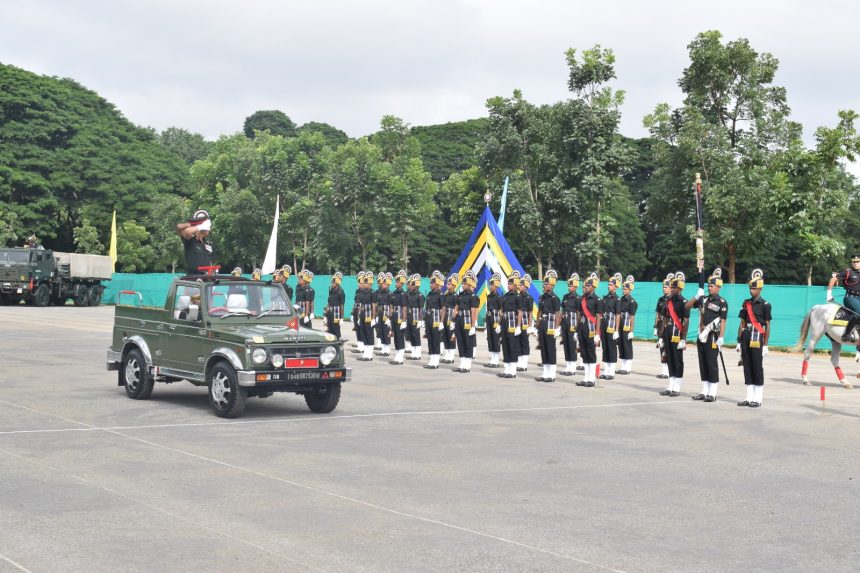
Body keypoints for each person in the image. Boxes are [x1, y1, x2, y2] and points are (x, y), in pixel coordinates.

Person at [686, 268, 728, 402]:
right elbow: (687, 306)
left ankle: (713, 393)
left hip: (713, 336)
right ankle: (704, 391)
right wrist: (697, 296)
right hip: (701, 335)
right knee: (703, 363)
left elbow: (723, 321)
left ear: (718, 287)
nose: (709, 288)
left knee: (711, 363)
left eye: (712, 286)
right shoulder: (703, 299)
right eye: (709, 286)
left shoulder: (722, 302)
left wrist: (721, 337)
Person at [736, 269, 772, 408]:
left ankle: (757, 398)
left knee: (757, 366)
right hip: (746, 335)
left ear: (760, 289)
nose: (752, 291)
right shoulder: (746, 303)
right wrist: (739, 340)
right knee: (747, 366)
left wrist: (765, 345)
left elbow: (767, 325)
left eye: (754, 288)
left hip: (758, 336)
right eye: (750, 288)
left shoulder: (765, 305)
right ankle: (749, 397)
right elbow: (742, 323)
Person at [659, 271, 689, 398]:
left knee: (677, 360)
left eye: (674, 287)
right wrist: (661, 336)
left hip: (677, 332)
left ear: (680, 288)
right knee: (669, 358)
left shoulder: (684, 302)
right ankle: (670, 386)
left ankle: (677, 387)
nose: (671, 289)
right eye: (671, 287)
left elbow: (686, 321)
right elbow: (665, 318)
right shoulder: (668, 301)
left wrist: (684, 338)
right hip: (668, 331)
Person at [535, 270, 562, 382]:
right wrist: (537, 326)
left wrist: (557, 328)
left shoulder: (555, 298)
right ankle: (545, 373)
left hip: (551, 324)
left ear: (552, 285)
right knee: (543, 348)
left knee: (550, 348)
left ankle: (552, 374)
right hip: (543, 323)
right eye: (544, 284)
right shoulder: (542, 297)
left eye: (546, 284)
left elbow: (557, 313)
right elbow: (540, 312)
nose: (544, 285)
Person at [575, 273, 601, 387]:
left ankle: (592, 379)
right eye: (585, 285)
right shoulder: (582, 299)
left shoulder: (597, 299)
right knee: (583, 353)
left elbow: (598, 317)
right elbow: (579, 314)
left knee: (591, 353)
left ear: (593, 287)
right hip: (582, 327)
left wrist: (597, 333)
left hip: (591, 329)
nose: (585, 287)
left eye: (588, 285)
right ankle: (585, 378)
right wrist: (577, 330)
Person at [827, 254, 860, 341]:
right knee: (858, 312)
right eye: (854, 262)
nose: (855, 263)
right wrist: (829, 293)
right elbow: (833, 279)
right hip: (850, 298)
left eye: (857, 262)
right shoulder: (848, 272)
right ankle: (846, 334)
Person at [452, 270, 479, 373]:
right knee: (460, 342)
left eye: (464, 283)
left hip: (467, 320)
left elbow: (473, 312)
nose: (463, 285)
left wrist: (473, 326)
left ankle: (467, 365)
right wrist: (453, 321)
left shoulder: (473, 296)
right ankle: (462, 364)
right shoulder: (460, 295)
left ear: (469, 284)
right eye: (462, 283)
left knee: (468, 342)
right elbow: (456, 308)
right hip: (459, 319)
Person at [497, 272, 523, 379]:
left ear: (515, 285)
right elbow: (502, 311)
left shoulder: (518, 297)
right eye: (508, 283)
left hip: (513, 322)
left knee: (512, 345)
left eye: (510, 283)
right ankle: (506, 369)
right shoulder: (505, 296)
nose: (508, 285)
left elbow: (520, 312)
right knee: (505, 345)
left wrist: (518, 326)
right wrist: (499, 324)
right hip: (505, 321)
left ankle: (512, 371)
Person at [599, 273, 622, 380]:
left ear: (616, 286)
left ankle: (611, 372)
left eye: (611, 285)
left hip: (612, 325)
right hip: (604, 324)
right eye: (608, 284)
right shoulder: (605, 297)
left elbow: (618, 315)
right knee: (605, 347)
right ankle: (605, 371)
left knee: (612, 347)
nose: (609, 286)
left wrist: (616, 330)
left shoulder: (617, 299)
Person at [176, 209, 214, 275]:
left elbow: (210, 261)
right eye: (207, 226)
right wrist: (198, 224)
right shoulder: (191, 240)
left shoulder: (208, 243)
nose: (209, 228)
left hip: (207, 277)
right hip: (194, 278)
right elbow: (181, 228)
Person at [559, 273, 580, 376]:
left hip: (573, 323)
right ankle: (567, 366)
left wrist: (577, 328)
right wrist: (560, 324)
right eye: (568, 285)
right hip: (565, 322)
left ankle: (572, 368)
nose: (569, 287)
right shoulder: (565, 296)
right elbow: (562, 310)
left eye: (571, 286)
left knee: (572, 345)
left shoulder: (578, 298)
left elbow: (578, 313)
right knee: (566, 344)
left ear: (575, 287)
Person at [617, 275, 638, 375]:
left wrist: (631, 331)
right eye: (623, 289)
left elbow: (632, 317)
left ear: (630, 290)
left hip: (627, 326)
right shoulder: (620, 299)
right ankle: (623, 367)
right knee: (621, 345)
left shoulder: (632, 301)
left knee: (627, 346)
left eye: (625, 289)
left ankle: (628, 368)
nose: (623, 290)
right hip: (620, 325)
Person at [423, 271, 445, 369]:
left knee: (436, 340)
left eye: (432, 283)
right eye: (430, 283)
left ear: (437, 284)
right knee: (430, 339)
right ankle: (431, 360)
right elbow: (427, 307)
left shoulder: (441, 294)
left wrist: (441, 322)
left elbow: (443, 308)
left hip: (436, 319)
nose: (430, 284)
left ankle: (435, 362)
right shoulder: (429, 294)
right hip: (429, 318)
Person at [654, 274, 673, 379]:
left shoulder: (672, 299)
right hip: (661, 324)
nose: (664, 288)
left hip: (669, 325)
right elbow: (657, 313)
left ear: (670, 288)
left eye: (666, 287)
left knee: (668, 348)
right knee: (661, 347)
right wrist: (655, 326)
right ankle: (664, 370)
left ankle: (669, 371)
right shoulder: (660, 299)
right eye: (663, 287)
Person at [389, 270, 409, 365]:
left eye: (398, 282)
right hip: (394, 316)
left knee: (400, 338)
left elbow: (404, 308)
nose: (396, 283)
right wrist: (390, 318)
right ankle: (397, 356)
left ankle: (400, 358)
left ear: (402, 283)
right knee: (396, 337)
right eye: (396, 282)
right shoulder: (394, 293)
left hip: (400, 317)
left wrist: (404, 321)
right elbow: (391, 307)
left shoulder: (403, 294)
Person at [484, 273, 503, 368]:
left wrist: (499, 324)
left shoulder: (499, 297)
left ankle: (496, 360)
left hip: (496, 319)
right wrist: (485, 322)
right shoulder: (489, 296)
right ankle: (492, 359)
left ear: (496, 286)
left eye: (491, 285)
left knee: (496, 339)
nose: (490, 286)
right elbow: (487, 309)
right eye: (490, 285)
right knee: (490, 338)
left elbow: (501, 310)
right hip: (489, 318)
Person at [517, 274, 535, 372]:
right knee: (518, 341)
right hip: (518, 321)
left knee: (524, 342)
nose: (519, 286)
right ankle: (519, 362)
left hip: (525, 322)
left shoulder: (529, 297)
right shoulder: (518, 296)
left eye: (521, 285)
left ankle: (524, 363)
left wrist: (530, 325)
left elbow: (530, 312)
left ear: (525, 286)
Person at [355, 272, 375, 361]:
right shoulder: (363, 292)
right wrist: (359, 316)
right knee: (363, 334)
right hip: (363, 315)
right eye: (364, 282)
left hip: (369, 315)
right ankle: (365, 353)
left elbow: (374, 306)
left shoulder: (373, 293)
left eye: (366, 282)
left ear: (370, 283)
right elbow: (361, 305)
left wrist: (373, 318)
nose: (364, 284)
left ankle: (369, 355)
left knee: (369, 334)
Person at [406, 274, 425, 360]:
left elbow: (421, 308)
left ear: (416, 285)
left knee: (416, 334)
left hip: (416, 316)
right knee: (410, 334)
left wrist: (421, 320)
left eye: (412, 284)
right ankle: (413, 353)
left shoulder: (420, 295)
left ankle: (418, 353)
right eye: (410, 284)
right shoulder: (409, 294)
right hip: (409, 315)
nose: (410, 286)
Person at [373, 272, 393, 356]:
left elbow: (391, 306)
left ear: (388, 285)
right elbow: (377, 305)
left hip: (386, 313)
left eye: (384, 284)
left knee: (386, 331)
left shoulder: (390, 293)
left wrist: (389, 318)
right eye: (382, 283)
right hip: (380, 313)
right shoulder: (380, 293)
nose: (382, 285)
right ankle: (383, 349)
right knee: (380, 331)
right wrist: (376, 316)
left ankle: (387, 350)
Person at [441, 274, 460, 364]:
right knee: (445, 336)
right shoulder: (446, 295)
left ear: (453, 285)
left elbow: (456, 308)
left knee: (451, 337)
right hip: (445, 317)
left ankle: (451, 357)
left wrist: (454, 321)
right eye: (447, 284)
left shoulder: (455, 295)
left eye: (449, 284)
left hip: (451, 318)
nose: (447, 285)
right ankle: (447, 355)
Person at [326, 272, 346, 341]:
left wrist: (341, 318)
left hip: (336, 313)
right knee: (329, 328)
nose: (331, 284)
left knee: (336, 330)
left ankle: (337, 343)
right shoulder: (331, 291)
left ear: (337, 283)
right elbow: (329, 303)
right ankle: (331, 343)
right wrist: (326, 315)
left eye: (333, 282)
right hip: (330, 312)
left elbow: (342, 305)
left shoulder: (341, 292)